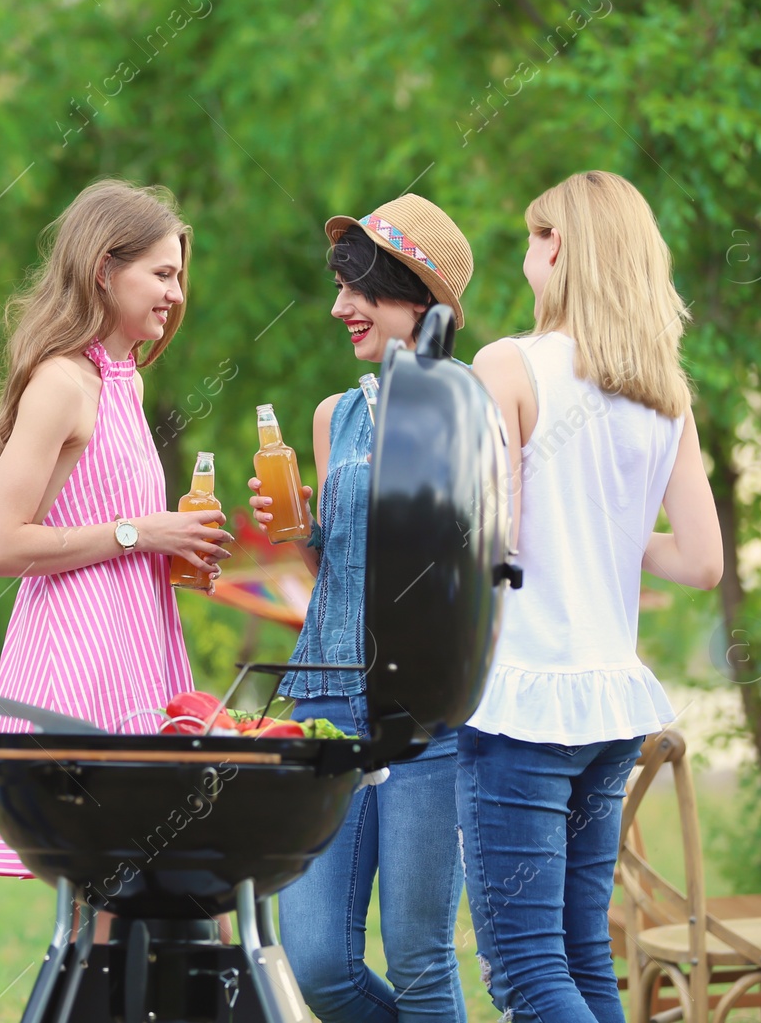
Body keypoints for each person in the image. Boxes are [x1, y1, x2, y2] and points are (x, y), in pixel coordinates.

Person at [460, 170, 723, 1023]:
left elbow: (491, 539)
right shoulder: (663, 393)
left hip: (523, 705)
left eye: (536, 237)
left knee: (529, 973)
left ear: (561, 247)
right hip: (610, 707)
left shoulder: (507, 364)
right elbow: (702, 560)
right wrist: (604, 532)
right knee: (581, 960)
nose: (528, 255)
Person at [0, 180, 234, 913]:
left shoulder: (126, 384)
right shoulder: (62, 382)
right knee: (106, 893)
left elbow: (109, 522)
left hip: (135, 644)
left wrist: (168, 552)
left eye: (178, 275)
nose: (176, 294)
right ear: (103, 269)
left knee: (138, 896)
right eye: (162, 273)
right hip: (78, 657)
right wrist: (140, 533)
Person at [250, 193, 476, 1023]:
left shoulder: (471, 407)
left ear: (419, 299)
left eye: (361, 289)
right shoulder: (332, 415)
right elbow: (337, 564)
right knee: (314, 964)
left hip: (425, 709)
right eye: (340, 287)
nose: (340, 307)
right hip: (325, 696)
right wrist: (302, 529)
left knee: (418, 961)